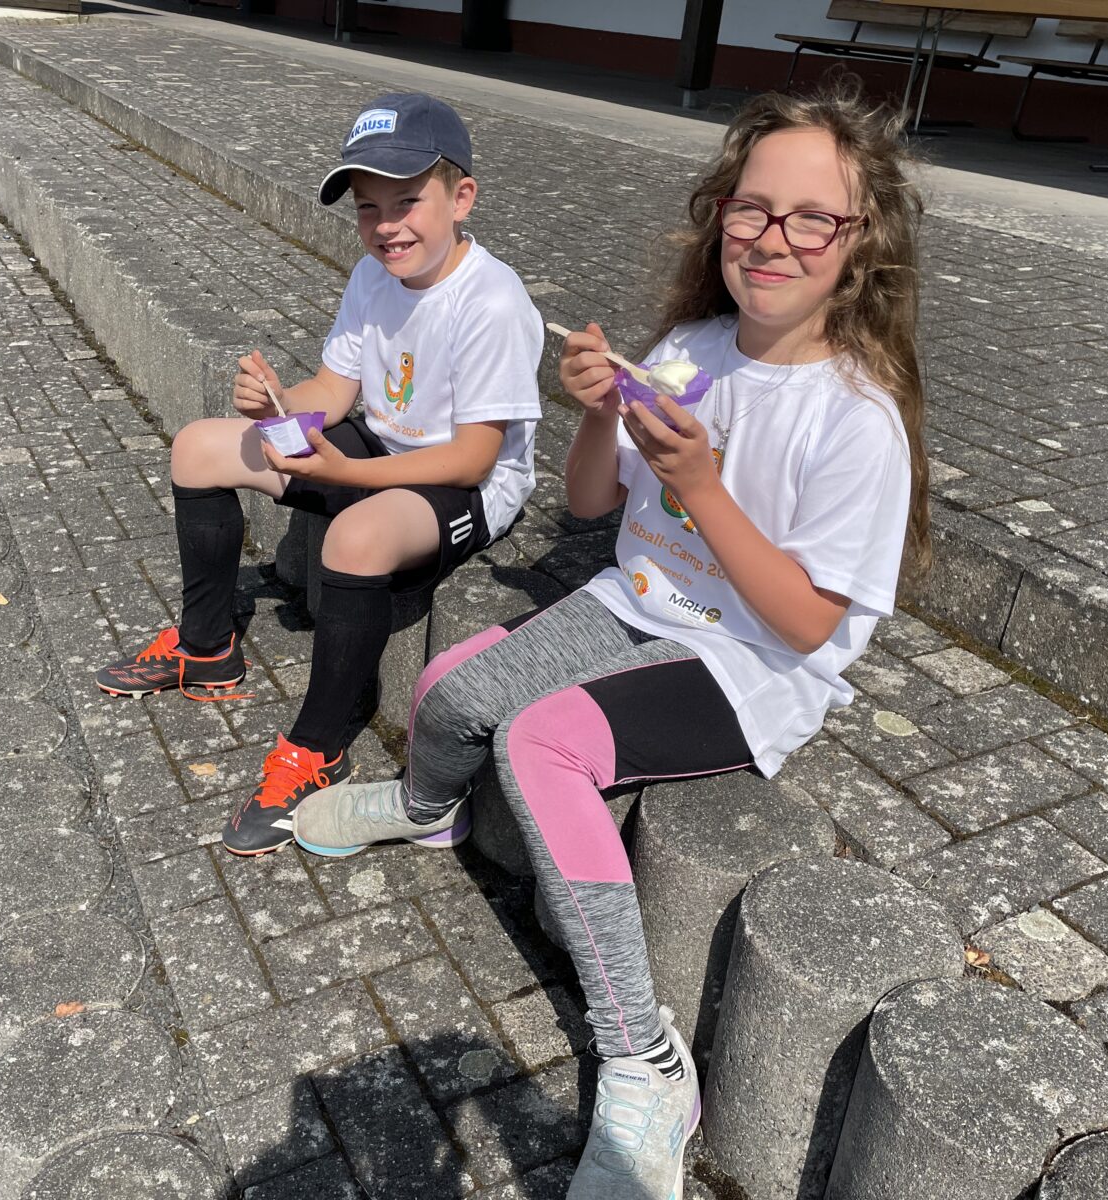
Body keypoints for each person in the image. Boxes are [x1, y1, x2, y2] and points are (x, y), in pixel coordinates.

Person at [292, 80, 929, 1200]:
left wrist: (704, 486)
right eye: (750, 208)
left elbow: (808, 621)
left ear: (860, 239)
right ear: (719, 216)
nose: (772, 238)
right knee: (450, 691)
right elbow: (592, 505)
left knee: (539, 743)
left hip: (748, 663)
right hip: (636, 596)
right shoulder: (691, 347)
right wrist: (597, 412)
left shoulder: (855, 417)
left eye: (811, 218)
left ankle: (645, 1060)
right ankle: (430, 810)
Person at [94, 92, 544, 856]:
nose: (386, 225)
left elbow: (474, 456)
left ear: (462, 197)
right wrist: (275, 404)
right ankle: (207, 648)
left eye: (407, 201)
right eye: (368, 207)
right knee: (199, 447)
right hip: (378, 448)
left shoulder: (492, 301)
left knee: (355, 538)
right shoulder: (372, 276)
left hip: (465, 486)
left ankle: (318, 747)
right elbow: (332, 393)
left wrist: (345, 474)